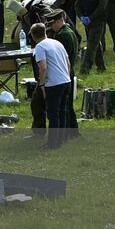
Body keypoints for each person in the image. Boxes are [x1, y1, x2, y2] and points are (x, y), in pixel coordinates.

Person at [29, 22, 73, 148]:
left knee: (53, 114)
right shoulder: (56, 43)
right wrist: (66, 76)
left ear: (32, 36)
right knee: (62, 112)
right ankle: (61, 139)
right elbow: (68, 63)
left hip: (53, 83)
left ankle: (52, 143)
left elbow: (43, 68)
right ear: (45, 32)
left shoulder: (40, 47)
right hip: (66, 80)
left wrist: (42, 84)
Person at [48, 9, 81, 137]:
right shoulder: (69, 31)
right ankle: (73, 131)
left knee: (64, 106)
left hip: (63, 72)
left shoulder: (62, 35)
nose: (51, 27)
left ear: (58, 22)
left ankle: (66, 133)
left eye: (52, 24)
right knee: (68, 105)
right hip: (68, 71)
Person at [77, 0, 109, 76]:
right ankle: (85, 69)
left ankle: (101, 66)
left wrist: (82, 17)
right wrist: (92, 17)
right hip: (97, 20)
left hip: (86, 20)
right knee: (92, 44)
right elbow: (102, 6)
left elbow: (77, 5)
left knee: (95, 41)